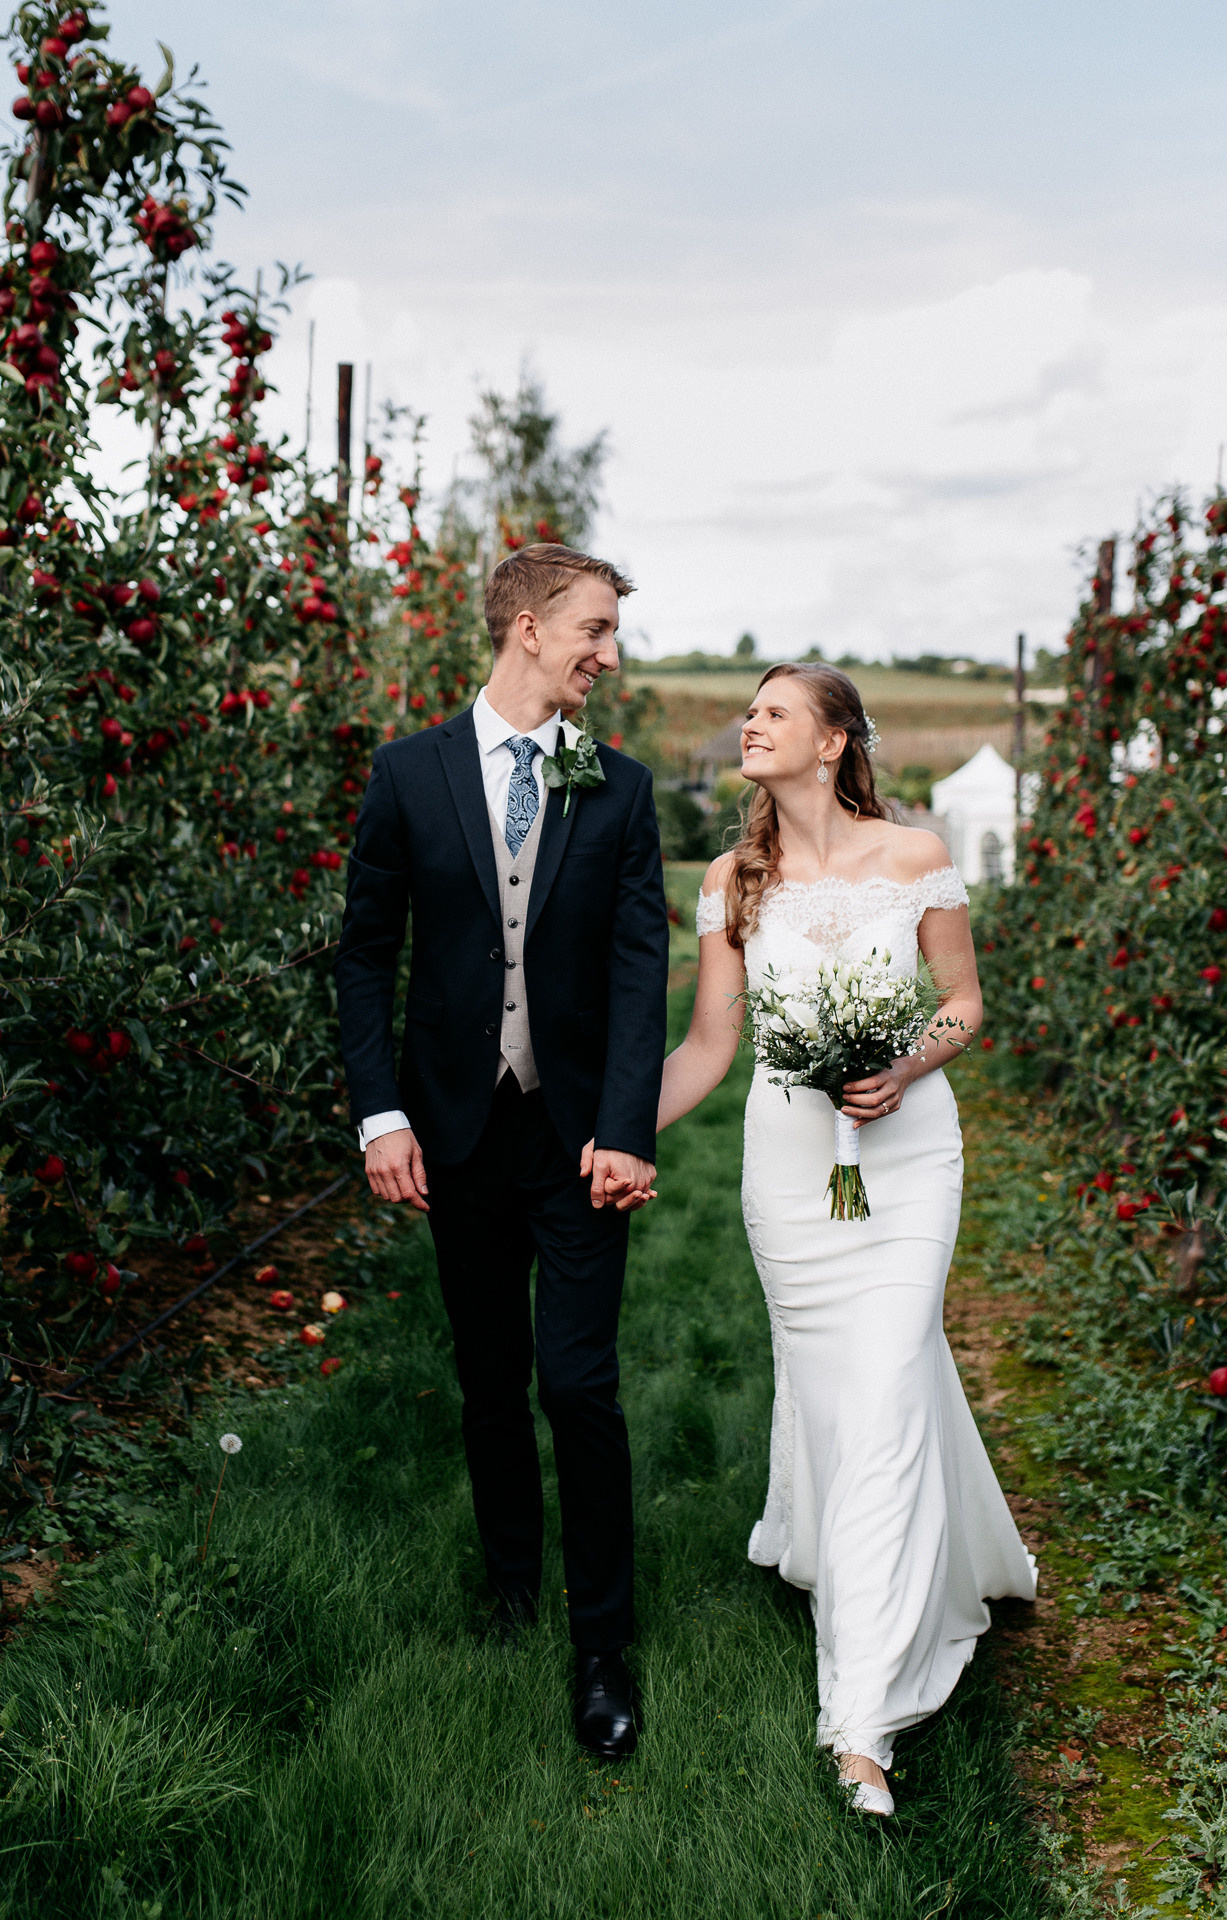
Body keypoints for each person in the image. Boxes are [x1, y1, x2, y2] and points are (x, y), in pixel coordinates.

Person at [657, 662, 1036, 1816]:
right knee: (849, 1393)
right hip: (788, 1171)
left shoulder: (913, 857)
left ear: (832, 743)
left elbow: (964, 1001)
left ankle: (860, 1720)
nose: (748, 722)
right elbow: (710, 1049)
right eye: (749, 708)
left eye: (773, 711)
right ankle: (951, 1558)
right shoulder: (735, 879)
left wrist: (907, 1061)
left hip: (910, 1158)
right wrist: (603, 1134)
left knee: (882, 1385)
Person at [334, 544, 668, 1762]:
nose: (609, 652)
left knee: (579, 1384)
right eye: (594, 628)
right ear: (526, 627)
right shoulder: (407, 774)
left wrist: (625, 1129)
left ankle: (599, 1644)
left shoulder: (617, 790)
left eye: (613, 631)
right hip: (454, 1129)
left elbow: (643, 972)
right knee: (488, 1383)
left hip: (576, 1136)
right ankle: (512, 1588)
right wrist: (381, 1114)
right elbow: (368, 955)